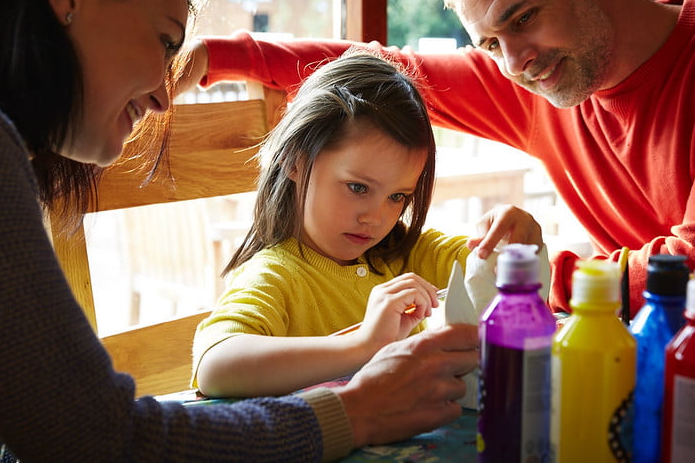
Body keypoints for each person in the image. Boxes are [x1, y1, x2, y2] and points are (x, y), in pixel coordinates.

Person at [0, 0, 480, 461]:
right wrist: (356, 412)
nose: (164, 94)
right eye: (164, 40)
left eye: (398, 197)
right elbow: (97, 436)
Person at [177, 0, 695, 316]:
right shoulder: (538, 79)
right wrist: (218, 56)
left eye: (523, 18)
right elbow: (385, 69)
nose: (516, 62)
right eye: (490, 44)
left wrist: (526, 276)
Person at [193, 51, 535, 398]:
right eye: (358, 188)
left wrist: (514, 244)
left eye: (397, 197)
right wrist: (364, 343)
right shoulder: (276, 276)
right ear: (294, 161)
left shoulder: (405, 255)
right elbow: (215, 366)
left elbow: (496, 271)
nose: (376, 218)